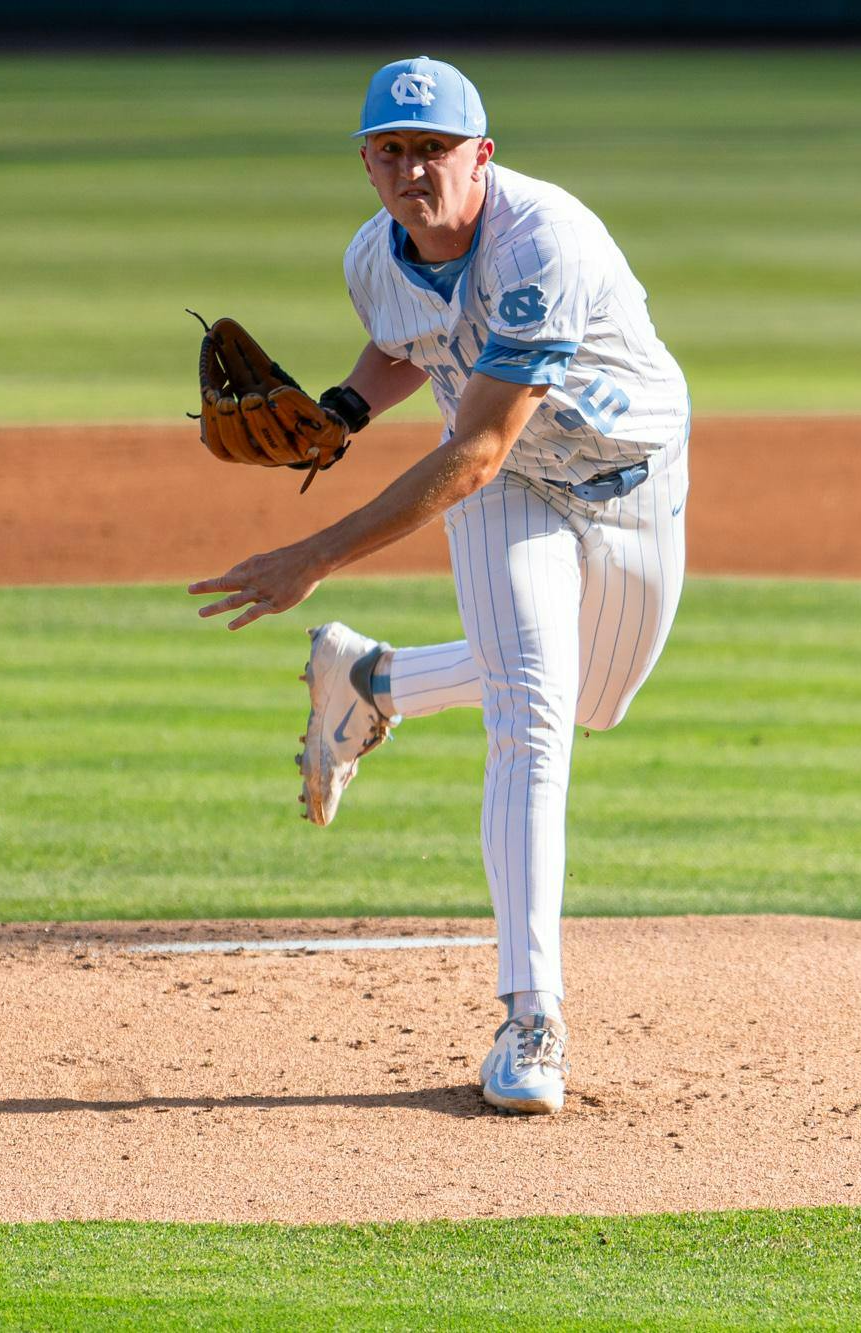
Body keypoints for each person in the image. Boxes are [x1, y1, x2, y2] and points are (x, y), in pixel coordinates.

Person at [189, 56, 691, 1115]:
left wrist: (309, 557)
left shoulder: (539, 242)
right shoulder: (372, 257)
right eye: (391, 151)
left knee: (591, 699)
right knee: (532, 717)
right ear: (367, 164)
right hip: (510, 494)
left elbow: (472, 450)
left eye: (433, 150)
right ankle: (531, 1017)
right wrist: (343, 407)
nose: (413, 170)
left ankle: (371, 679)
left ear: (481, 156)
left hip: (624, 478)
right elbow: (406, 342)